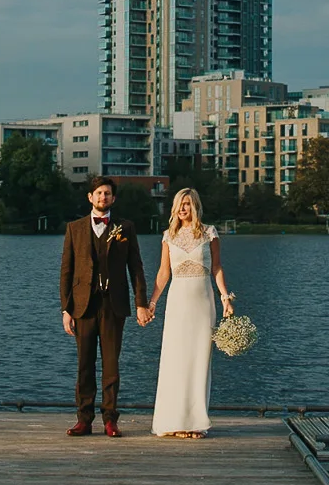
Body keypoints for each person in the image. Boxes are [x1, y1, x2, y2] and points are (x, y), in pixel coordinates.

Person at [60, 176, 151, 437]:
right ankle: (84, 420)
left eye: (107, 193)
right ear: (90, 197)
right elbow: (66, 271)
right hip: (83, 306)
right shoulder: (74, 228)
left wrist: (141, 304)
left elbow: (136, 268)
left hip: (114, 306)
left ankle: (110, 420)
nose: (103, 197)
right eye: (99, 193)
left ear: (113, 198)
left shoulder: (125, 227)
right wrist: (66, 309)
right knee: (84, 365)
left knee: (111, 366)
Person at [149, 187, 235, 439]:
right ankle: (173, 422)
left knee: (199, 361)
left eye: (187, 204)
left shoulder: (209, 233)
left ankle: (195, 422)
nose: (182, 208)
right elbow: (163, 272)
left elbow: (217, 268)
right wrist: (152, 302)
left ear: (195, 206)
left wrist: (225, 298)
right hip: (177, 303)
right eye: (179, 204)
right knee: (175, 360)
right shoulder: (168, 236)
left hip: (202, 303)